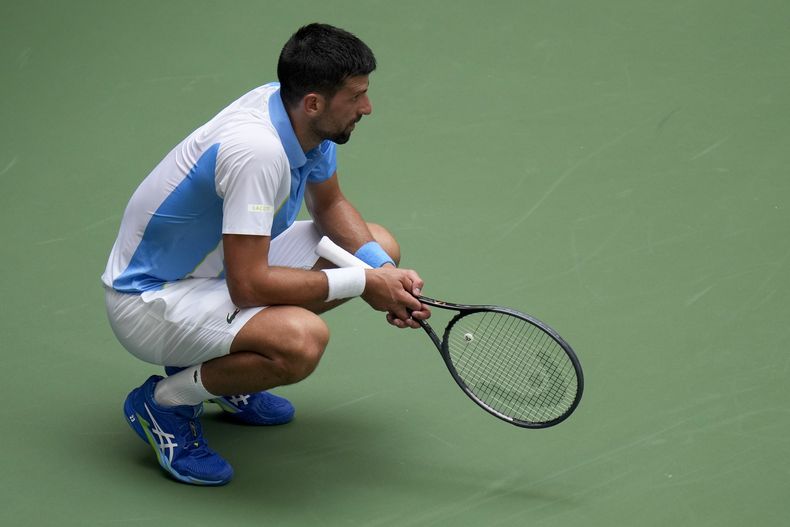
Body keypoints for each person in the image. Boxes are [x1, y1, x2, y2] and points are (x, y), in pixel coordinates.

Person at [101, 23, 430, 486]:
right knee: (300, 341)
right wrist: (364, 284)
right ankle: (165, 403)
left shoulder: (295, 113)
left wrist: (385, 273)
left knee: (378, 247)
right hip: (149, 300)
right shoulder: (258, 151)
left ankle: (230, 376)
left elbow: (330, 204)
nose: (367, 107)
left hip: (213, 267)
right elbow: (249, 286)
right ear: (314, 102)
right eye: (356, 96)